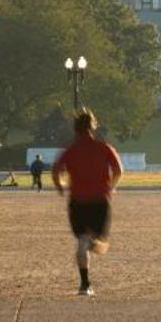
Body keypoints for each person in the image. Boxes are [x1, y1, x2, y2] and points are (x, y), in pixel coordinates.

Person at [52, 109, 122, 296]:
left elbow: (56, 172)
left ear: (75, 128)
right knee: (101, 245)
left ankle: (84, 285)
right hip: (100, 200)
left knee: (82, 240)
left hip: (78, 201)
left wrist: (60, 187)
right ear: (93, 126)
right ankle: (89, 246)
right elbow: (118, 170)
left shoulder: (70, 150)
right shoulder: (103, 148)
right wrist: (112, 186)